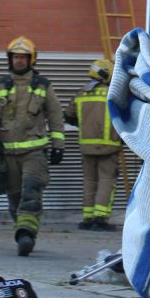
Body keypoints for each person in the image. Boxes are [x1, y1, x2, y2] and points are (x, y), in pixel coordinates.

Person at [0, 36, 65, 256]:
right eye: (15, 57)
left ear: (31, 60)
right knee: (14, 197)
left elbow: (56, 117)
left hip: (34, 152)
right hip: (8, 155)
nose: (19, 61)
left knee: (31, 191)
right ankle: (22, 227)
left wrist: (58, 145)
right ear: (10, 59)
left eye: (23, 57)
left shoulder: (43, 86)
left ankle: (26, 234)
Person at [64, 57, 122, 232]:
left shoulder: (81, 93)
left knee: (89, 181)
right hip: (109, 146)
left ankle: (87, 218)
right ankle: (100, 218)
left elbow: (69, 116)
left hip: (86, 146)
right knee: (106, 181)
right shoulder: (112, 94)